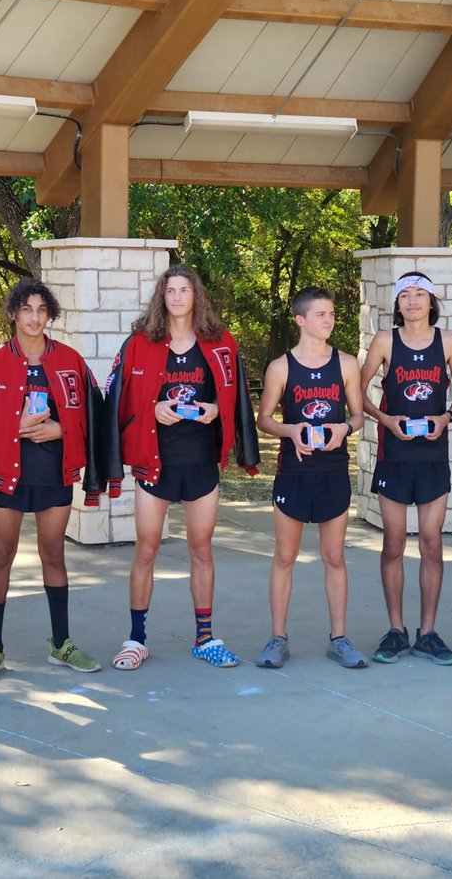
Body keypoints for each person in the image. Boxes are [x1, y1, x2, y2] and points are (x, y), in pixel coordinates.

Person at [0, 278, 106, 681]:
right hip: (5, 474)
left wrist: (61, 430)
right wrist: (12, 427)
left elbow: (96, 416)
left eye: (42, 310)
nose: (34, 317)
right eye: (27, 309)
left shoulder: (70, 361)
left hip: (53, 473)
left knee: (54, 554)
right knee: (2, 553)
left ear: (50, 315)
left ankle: (61, 643)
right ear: (13, 313)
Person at [103, 265, 260, 670]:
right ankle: (136, 639)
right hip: (154, 463)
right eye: (170, 290)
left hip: (200, 461)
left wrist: (215, 409)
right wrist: (153, 408)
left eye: (184, 290)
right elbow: (116, 396)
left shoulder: (220, 341)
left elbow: (233, 395)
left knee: (201, 550)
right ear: (162, 296)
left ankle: (205, 638)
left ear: (196, 296)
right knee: (146, 550)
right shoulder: (139, 343)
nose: (176, 297)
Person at [255, 287, 368, 669]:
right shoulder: (281, 367)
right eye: (321, 314)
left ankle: (339, 638)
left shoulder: (346, 364)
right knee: (285, 556)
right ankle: (278, 638)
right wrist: (291, 431)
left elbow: (357, 415)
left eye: (332, 314)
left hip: (333, 471)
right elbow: (264, 419)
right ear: (301, 320)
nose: (329, 320)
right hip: (294, 471)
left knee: (334, 556)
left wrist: (344, 429)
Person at [359, 272, 452, 665]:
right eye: (405, 294)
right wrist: (386, 420)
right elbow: (358, 389)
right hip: (395, 456)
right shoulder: (385, 340)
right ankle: (396, 630)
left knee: (432, 543)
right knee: (393, 543)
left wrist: (446, 417)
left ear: (432, 301)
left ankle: (428, 633)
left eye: (420, 294)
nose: (413, 301)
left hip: (433, 456)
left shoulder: (448, 340)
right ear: (398, 303)